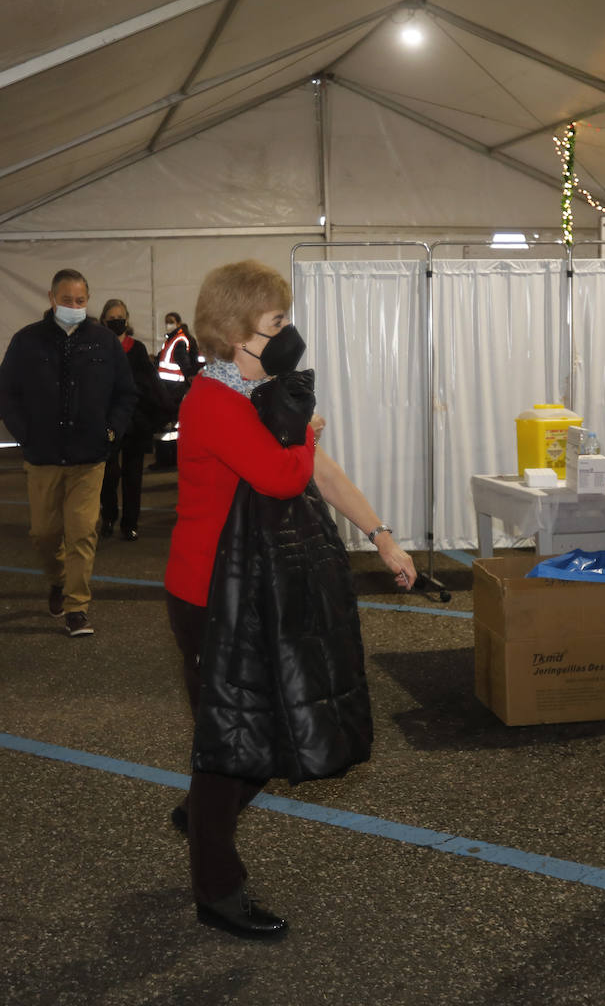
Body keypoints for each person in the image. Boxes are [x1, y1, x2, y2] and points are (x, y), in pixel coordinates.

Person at [163, 260, 416, 940]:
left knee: (253, 735)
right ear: (236, 330)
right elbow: (282, 475)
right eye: (275, 323)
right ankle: (217, 887)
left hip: (252, 593)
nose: (286, 334)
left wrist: (382, 535)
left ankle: (203, 818)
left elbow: (320, 475)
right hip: (209, 595)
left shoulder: (261, 390)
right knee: (232, 744)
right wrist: (306, 432)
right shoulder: (212, 401)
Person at [0, 269, 135, 636]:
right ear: (52, 299)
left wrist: (111, 430)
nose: (75, 306)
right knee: (44, 533)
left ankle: (77, 606)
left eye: (81, 300)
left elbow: (126, 393)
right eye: (68, 300)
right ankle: (57, 579)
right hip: (43, 456)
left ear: (87, 300)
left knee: (83, 530)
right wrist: (26, 434)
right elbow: (5, 393)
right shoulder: (27, 341)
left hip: (90, 455)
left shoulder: (104, 342)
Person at [99, 299, 169, 541]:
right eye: (112, 317)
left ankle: (130, 523)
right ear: (104, 321)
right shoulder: (99, 346)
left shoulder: (136, 348)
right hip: (107, 421)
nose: (117, 320)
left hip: (136, 422)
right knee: (107, 475)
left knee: (133, 475)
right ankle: (108, 517)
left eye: (121, 316)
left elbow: (149, 383)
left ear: (127, 320)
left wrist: (163, 411)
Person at [151, 312, 200, 470]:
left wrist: (189, 379)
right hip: (170, 388)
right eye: (166, 321)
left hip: (174, 389)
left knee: (170, 426)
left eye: (171, 321)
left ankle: (167, 460)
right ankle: (169, 459)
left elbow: (184, 362)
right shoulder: (172, 339)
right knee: (171, 426)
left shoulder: (179, 339)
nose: (168, 324)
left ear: (179, 322)